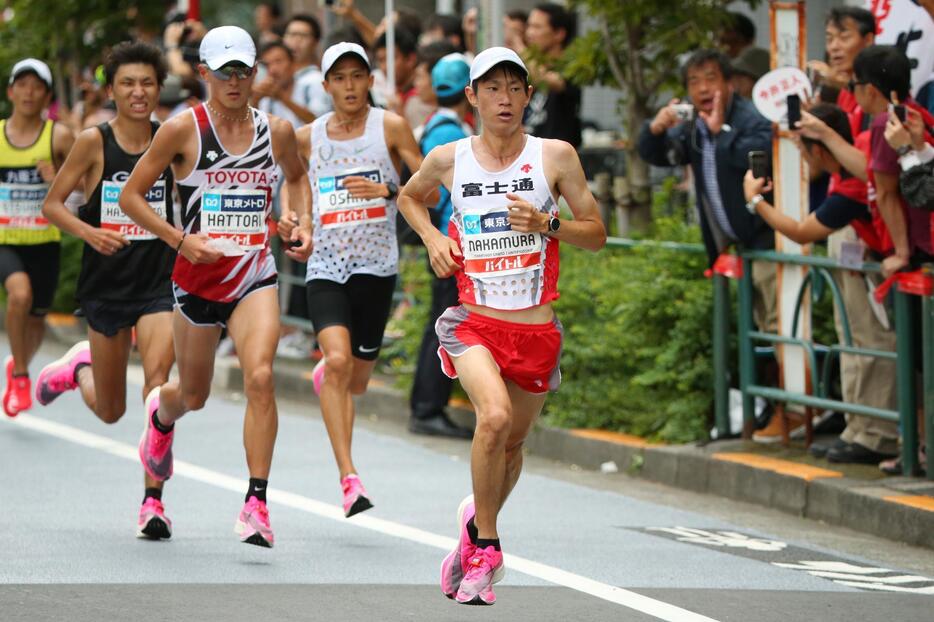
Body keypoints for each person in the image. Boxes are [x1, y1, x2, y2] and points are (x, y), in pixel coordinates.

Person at [397, 47, 605, 605]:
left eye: (515, 88)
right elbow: (409, 198)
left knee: (511, 446)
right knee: (491, 418)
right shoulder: (448, 158)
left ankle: (473, 521)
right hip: (474, 325)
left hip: (536, 332)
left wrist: (548, 222)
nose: (504, 99)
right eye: (492, 88)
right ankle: (487, 548)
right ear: (472, 97)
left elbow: (596, 232)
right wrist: (435, 238)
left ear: (529, 96)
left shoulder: (554, 156)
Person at [118, 26, 313, 549]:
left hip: (254, 274)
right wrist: (181, 241)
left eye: (243, 70)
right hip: (197, 280)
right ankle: (160, 418)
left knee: (262, 376)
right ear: (203, 73)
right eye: (223, 71)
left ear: (255, 74)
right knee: (193, 395)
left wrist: (300, 220)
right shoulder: (182, 130)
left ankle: (256, 503)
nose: (234, 80)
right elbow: (132, 197)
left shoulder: (279, 130)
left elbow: (296, 177)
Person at [37, 42, 179, 538]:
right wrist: (91, 233)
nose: (138, 92)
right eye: (127, 83)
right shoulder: (94, 142)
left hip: (160, 280)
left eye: (146, 83)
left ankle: (152, 504)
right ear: (112, 89)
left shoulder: (172, 140)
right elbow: (54, 205)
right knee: (112, 410)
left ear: (159, 89)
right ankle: (80, 370)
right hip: (107, 282)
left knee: (158, 382)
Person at [294, 42, 427, 517]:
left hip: (377, 268)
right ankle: (349, 479)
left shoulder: (389, 126)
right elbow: (296, 187)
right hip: (326, 265)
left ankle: (335, 374)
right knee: (336, 360)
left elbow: (426, 186)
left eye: (357, 76)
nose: (349, 86)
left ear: (370, 80)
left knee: (356, 381)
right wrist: (300, 224)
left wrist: (389, 188)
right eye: (340, 78)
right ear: (326, 85)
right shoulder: (308, 137)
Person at [743, 103, 899, 464]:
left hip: (880, 268)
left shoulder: (852, 184)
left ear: (819, 147)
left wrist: (754, 199)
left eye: (802, 147)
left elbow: (800, 232)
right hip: (865, 264)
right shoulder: (843, 171)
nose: (801, 155)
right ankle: (859, 429)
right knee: (856, 344)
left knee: (873, 344)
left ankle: (878, 436)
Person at [0, 58, 75, 416]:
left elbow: (83, 185)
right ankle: (20, 375)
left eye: (37, 86)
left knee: (36, 319)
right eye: (22, 84)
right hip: (5, 239)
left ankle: (19, 364)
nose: (29, 93)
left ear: (46, 95)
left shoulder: (57, 136)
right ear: (11, 91)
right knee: (20, 295)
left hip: (44, 241)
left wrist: (55, 178)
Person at [408, 53, 474, 439]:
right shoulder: (453, 133)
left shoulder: (433, 124)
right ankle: (428, 408)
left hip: (443, 237)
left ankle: (427, 406)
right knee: (444, 324)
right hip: (453, 239)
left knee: (441, 322)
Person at [518, 3, 581, 147]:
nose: (529, 33)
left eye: (537, 27)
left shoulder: (573, 66)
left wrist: (519, 45)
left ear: (559, 34)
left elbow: (552, 81)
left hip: (556, 159)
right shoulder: (532, 67)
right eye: (528, 26)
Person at [253, 41, 316, 128]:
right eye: (267, 65)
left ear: (293, 63)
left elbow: (318, 122)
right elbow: (258, 130)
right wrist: (255, 100)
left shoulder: (311, 85)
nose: (273, 70)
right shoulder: (267, 96)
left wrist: (282, 97)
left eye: (278, 62)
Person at [282, 14, 332, 119]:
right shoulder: (275, 78)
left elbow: (319, 122)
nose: (296, 41)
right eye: (292, 34)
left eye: (303, 36)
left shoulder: (318, 80)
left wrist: (281, 97)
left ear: (315, 42)